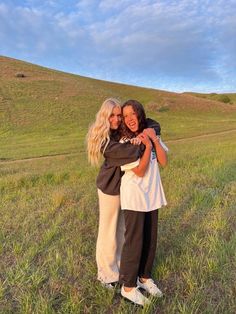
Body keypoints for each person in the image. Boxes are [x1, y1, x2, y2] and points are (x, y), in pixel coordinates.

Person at [86, 98, 141, 288]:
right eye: (113, 116)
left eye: (119, 115)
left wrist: (149, 133)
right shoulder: (104, 139)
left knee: (121, 230)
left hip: (124, 187)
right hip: (109, 188)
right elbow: (126, 152)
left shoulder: (119, 132)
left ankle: (117, 268)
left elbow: (149, 123)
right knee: (108, 231)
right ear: (105, 116)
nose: (117, 119)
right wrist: (141, 144)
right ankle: (105, 274)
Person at [119, 99, 168, 306]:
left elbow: (164, 161)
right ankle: (128, 287)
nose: (130, 119)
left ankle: (144, 277)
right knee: (134, 242)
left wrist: (153, 140)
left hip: (152, 195)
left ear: (140, 114)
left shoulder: (150, 132)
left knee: (150, 238)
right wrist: (147, 146)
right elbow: (139, 171)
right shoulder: (124, 142)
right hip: (135, 197)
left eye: (133, 113)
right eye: (125, 115)